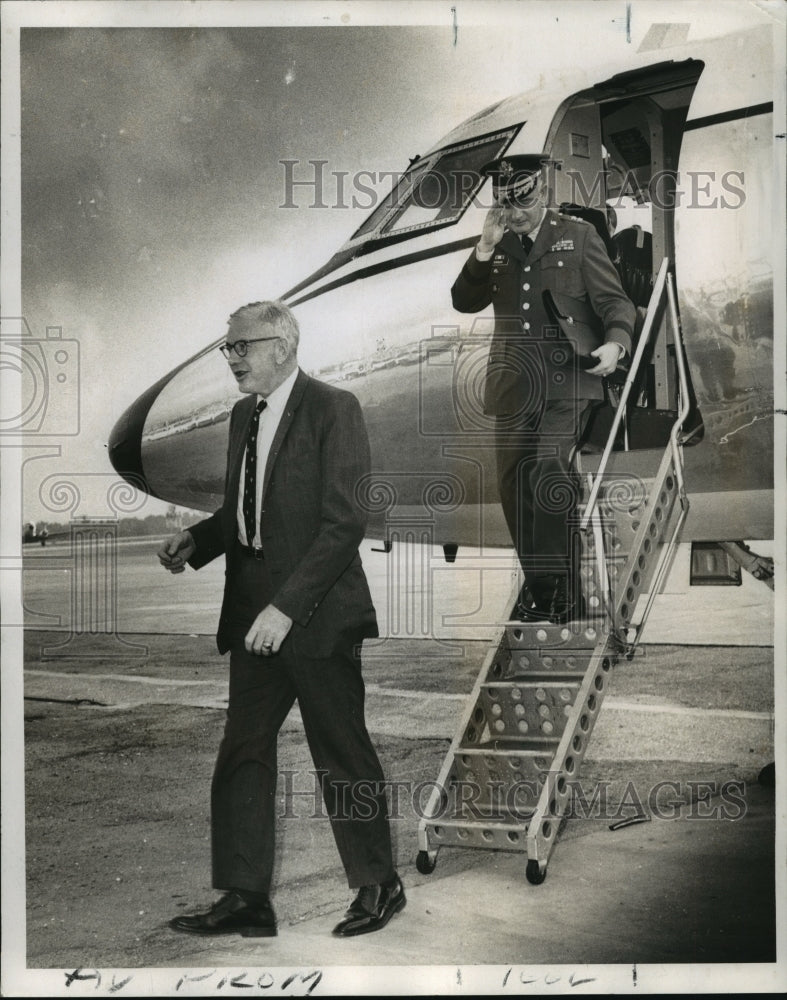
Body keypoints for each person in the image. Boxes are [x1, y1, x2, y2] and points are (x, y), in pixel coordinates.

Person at [157, 300, 404, 939]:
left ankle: (380, 884)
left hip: (314, 612)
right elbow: (249, 512)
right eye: (228, 348)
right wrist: (199, 540)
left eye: (240, 346)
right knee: (243, 751)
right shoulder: (245, 415)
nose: (231, 358)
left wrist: (286, 608)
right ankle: (246, 898)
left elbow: (344, 521)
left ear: (282, 345)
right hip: (253, 612)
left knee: (342, 752)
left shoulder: (334, 409)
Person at [451, 155, 636, 623]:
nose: (517, 212)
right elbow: (463, 300)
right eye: (507, 204)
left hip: (568, 383)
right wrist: (484, 248)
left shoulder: (579, 235)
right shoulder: (499, 246)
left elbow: (615, 301)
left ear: (542, 191)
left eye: (525, 199)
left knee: (548, 471)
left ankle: (554, 591)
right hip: (513, 387)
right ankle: (546, 590)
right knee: (514, 487)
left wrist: (616, 343)